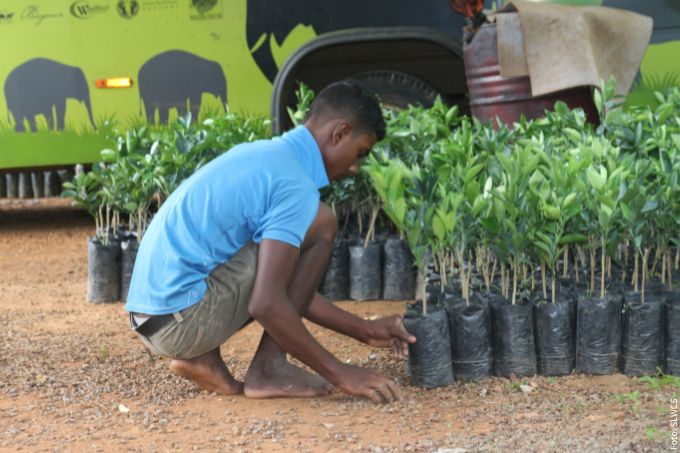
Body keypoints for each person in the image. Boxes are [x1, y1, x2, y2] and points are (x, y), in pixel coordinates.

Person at [125, 79, 416, 404]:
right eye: (359, 153)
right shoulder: (294, 186)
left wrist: (365, 329)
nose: (354, 168)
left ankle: (202, 359)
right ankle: (268, 369)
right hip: (183, 321)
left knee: (279, 257)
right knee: (321, 223)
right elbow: (267, 302)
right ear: (339, 133)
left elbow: (287, 289)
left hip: (153, 319)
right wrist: (341, 372)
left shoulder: (266, 155)